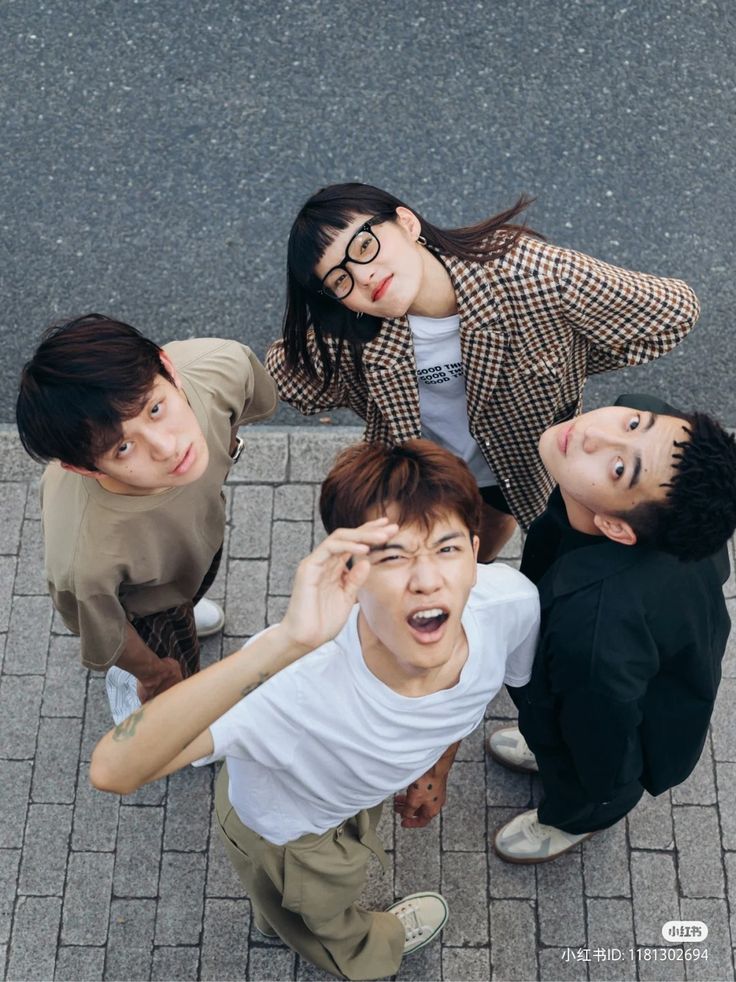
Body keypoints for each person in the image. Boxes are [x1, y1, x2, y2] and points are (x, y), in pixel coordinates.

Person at [89, 439, 540, 979]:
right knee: (322, 910)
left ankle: (275, 914)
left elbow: (460, 707)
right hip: (288, 830)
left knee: (282, 903)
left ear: (473, 551)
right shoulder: (293, 676)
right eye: (393, 555)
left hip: (353, 793)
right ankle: (366, 952)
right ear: (352, 570)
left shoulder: (511, 604)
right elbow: (113, 770)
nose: (427, 579)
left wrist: (434, 770)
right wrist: (286, 641)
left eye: (446, 548)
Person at [266, 182, 700, 560]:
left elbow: (676, 312)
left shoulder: (533, 276)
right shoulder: (356, 337)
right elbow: (291, 381)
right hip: (428, 475)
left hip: (525, 462)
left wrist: (573, 360)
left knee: (504, 527)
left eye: (363, 246)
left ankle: (482, 566)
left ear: (406, 223)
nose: (363, 277)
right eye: (339, 280)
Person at [487, 394, 736, 863]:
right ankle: (544, 744)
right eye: (635, 423)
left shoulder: (596, 632)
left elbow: (605, 740)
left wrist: (592, 779)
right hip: (613, 658)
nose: (594, 433)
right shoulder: (673, 472)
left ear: (618, 529)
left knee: (583, 769)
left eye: (619, 468)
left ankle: (571, 818)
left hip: (612, 705)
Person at [16, 314, 277, 716]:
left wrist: (226, 448)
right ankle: (133, 692)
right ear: (85, 468)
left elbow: (239, 401)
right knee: (174, 674)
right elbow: (105, 631)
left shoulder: (218, 364)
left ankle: (185, 601)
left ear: (167, 368)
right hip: (143, 604)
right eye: (122, 448)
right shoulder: (82, 560)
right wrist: (154, 673)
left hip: (191, 546)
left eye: (156, 408)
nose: (166, 447)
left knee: (194, 581)